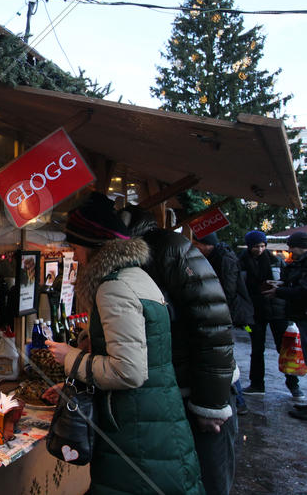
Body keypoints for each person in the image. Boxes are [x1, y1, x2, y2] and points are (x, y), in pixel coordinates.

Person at [45, 192, 204, 494]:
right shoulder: (136, 277)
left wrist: (70, 357)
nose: (75, 254)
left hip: (136, 433)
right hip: (152, 421)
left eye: (76, 246)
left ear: (93, 246)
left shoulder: (113, 288)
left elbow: (128, 371)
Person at [119, 206, 236, 495]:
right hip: (179, 388)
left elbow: (213, 324)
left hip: (202, 391)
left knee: (209, 479)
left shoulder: (167, 248)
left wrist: (210, 404)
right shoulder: (140, 254)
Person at [193, 231, 252, 415]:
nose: (195, 247)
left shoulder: (224, 259)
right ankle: (238, 399)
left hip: (224, 315)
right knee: (224, 357)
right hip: (221, 314)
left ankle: (239, 400)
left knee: (224, 358)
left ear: (206, 244)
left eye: (197, 243)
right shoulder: (217, 256)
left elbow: (227, 290)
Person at [238, 230, 302, 398]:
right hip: (253, 316)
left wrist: (280, 287)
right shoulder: (241, 263)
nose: (259, 249)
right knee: (256, 348)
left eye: (262, 246)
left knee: (284, 348)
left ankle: (293, 385)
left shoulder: (276, 261)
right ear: (249, 246)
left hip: (277, 313)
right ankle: (257, 384)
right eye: (256, 246)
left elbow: (288, 282)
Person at [262, 231, 307, 419]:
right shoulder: (300, 264)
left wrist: (279, 292)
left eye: (292, 246)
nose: (289, 250)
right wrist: (281, 285)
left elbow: (303, 292)